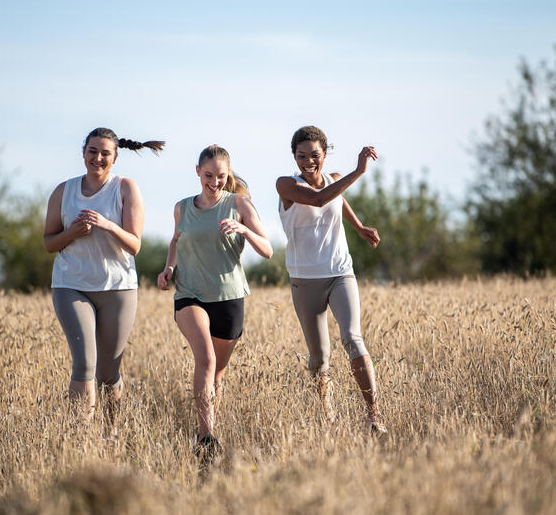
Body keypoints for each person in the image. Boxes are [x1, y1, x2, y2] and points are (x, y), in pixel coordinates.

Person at [43, 127, 164, 433]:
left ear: (115, 157)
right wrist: (74, 231)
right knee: (84, 364)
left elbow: (134, 245)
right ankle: (81, 439)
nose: (98, 158)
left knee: (109, 373)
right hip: (71, 284)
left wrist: (108, 225)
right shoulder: (63, 191)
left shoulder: (125, 188)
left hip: (117, 287)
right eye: (92, 151)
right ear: (83, 153)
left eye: (105, 153)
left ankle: (111, 435)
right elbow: (49, 242)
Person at [157, 144, 273, 459]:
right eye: (208, 175)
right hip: (189, 294)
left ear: (228, 175)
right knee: (206, 361)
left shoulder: (239, 204)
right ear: (198, 172)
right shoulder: (182, 207)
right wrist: (169, 268)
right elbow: (176, 241)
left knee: (218, 372)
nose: (214, 182)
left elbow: (267, 250)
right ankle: (206, 437)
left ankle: (212, 432)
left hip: (229, 297)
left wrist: (244, 229)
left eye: (221, 176)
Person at [275, 125, 387, 434]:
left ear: (326, 154)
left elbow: (336, 198)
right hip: (304, 279)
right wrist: (359, 172)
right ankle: (327, 418)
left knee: (352, 338)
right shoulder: (285, 185)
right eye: (302, 156)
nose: (308, 162)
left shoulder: (335, 180)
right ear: (294, 156)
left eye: (315, 156)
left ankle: (374, 416)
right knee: (319, 359)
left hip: (340, 271)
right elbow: (322, 198)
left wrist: (360, 226)